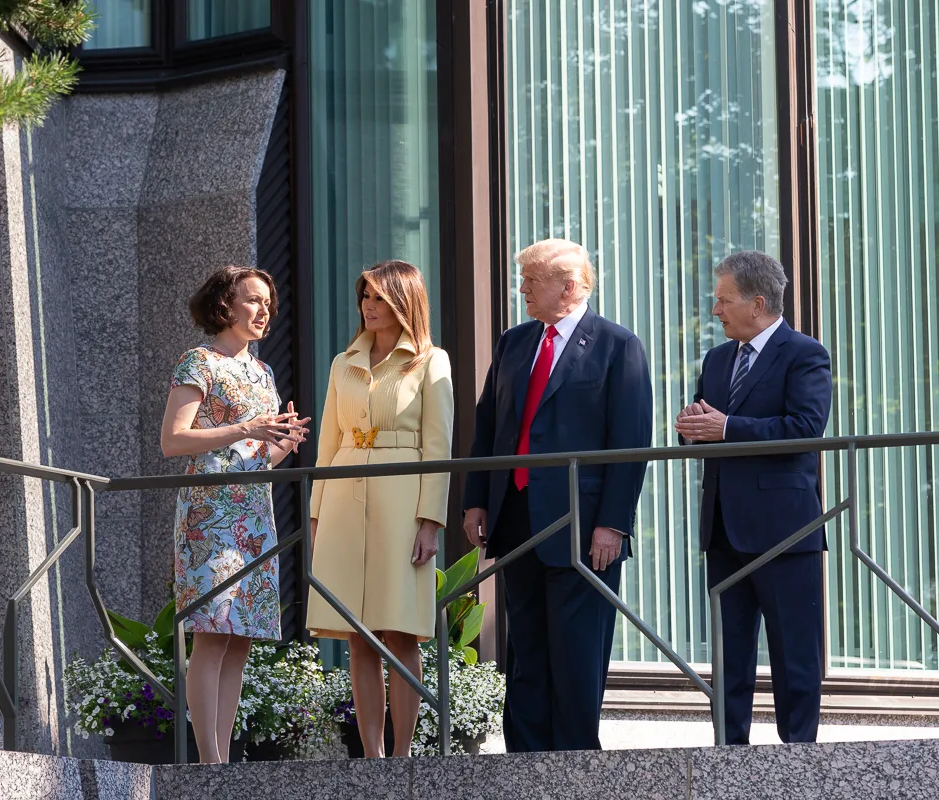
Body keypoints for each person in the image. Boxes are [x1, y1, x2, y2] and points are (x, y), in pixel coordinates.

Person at [462, 238, 652, 752]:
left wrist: (613, 523)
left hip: (584, 526)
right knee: (525, 650)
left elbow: (629, 444)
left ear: (569, 286)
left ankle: (574, 765)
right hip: (516, 515)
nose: (522, 288)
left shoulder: (617, 345)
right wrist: (476, 499)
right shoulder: (514, 342)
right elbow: (489, 425)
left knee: (576, 653)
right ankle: (524, 763)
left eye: (532, 280)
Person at [673, 250, 832, 746]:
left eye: (722, 300)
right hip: (723, 528)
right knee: (729, 655)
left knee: (795, 657)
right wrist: (693, 431)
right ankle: (727, 757)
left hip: (786, 532)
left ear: (757, 302)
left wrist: (727, 428)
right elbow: (709, 433)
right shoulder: (718, 359)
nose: (715, 310)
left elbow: (806, 429)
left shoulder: (805, 353)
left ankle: (800, 761)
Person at [160, 265, 311, 764]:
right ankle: (209, 762)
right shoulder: (198, 362)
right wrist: (245, 426)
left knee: (239, 637)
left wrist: (282, 444)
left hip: (253, 513)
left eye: (268, 302)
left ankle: (224, 759)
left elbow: (254, 455)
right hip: (210, 513)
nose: (264, 310)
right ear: (224, 306)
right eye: (253, 300)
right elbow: (173, 440)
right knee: (211, 632)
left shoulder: (263, 371)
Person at [306, 260, 454, 758]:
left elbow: (439, 446)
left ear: (403, 301)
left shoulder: (432, 361)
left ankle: (402, 756)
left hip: (402, 500)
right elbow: (327, 444)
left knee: (400, 629)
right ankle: (370, 757)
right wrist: (316, 514)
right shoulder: (341, 362)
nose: (368, 306)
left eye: (379, 297)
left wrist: (430, 520)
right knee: (358, 634)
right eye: (364, 297)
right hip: (344, 496)